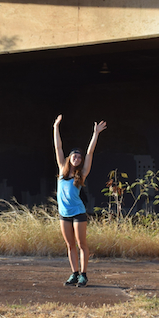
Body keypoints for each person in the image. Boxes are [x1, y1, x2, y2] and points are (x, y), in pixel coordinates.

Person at [53, 114, 107, 287]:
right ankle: (74, 274)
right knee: (70, 245)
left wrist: (96, 133)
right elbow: (58, 146)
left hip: (78, 212)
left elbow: (90, 152)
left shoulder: (81, 174)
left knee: (81, 243)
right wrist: (56, 127)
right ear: (70, 158)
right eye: (74, 156)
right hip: (64, 214)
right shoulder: (62, 169)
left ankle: (84, 274)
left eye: (79, 158)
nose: (77, 159)